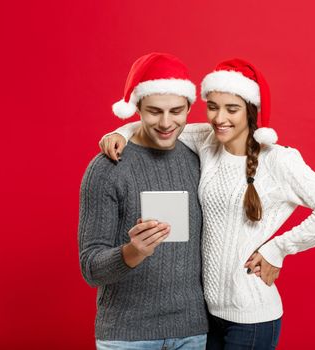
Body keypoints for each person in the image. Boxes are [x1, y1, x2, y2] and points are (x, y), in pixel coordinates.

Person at [100, 58, 315, 349]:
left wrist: (278, 249)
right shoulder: (207, 141)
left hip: (252, 317)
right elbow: (160, 125)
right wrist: (119, 133)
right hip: (207, 315)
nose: (219, 118)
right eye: (213, 106)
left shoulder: (279, 160)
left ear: (251, 111)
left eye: (231, 109)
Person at [78, 52, 209, 350]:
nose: (166, 122)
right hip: (126, 334)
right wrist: (132, 252)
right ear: (137, 107)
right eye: (154, 111)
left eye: (176, 111)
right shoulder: (108, 166)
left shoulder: (199, 160)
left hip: (192, 330)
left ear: (189, 107)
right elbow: (90, 267)